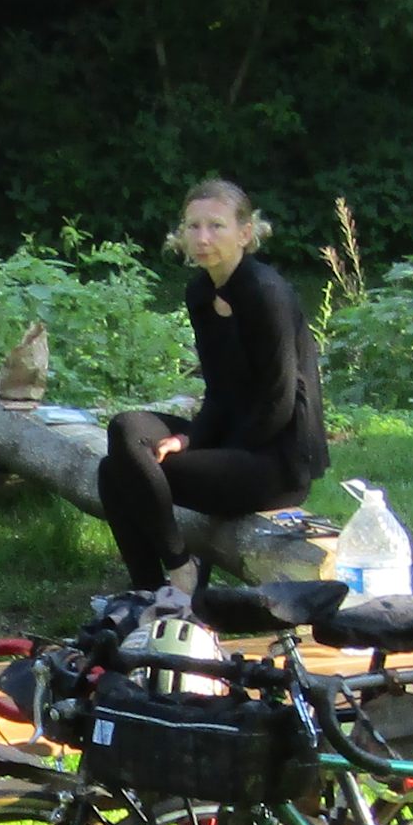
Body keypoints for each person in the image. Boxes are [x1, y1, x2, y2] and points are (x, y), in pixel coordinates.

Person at [99, 178, 328, 602]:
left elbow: (277, 403)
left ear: (245, 233)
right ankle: (154, 593)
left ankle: (179, 574)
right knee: (126, 431)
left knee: (120, 472)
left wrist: (209, 452)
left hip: (275, 462)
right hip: (230, 444)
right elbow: (220, 392)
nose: (202, 238)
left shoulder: (265, 292)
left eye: (216, 226)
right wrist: (188, 439)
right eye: (193, 226)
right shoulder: (201, 292)